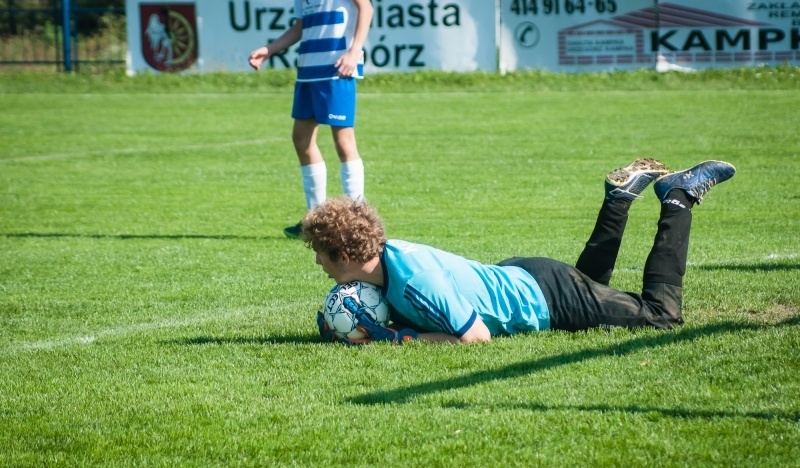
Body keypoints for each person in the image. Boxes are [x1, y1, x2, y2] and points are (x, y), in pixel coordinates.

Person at [302, 158, 736, 344]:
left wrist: (397, 339)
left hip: (544, 298)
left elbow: (475, 337)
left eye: (320, 253)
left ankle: (678, 196)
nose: (318, 262)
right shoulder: (389, 260)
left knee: (661, 316)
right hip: (524, 276)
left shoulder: (414, 281)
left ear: (343, 254)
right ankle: (618, 200)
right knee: (593, 287)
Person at [248, 0, 374, 239]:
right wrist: (270, 49)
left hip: (338, 68)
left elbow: (366, 8)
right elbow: (301, 26)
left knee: (343, 142)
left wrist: (354, 51)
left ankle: (359, 219)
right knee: (301, 139)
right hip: (308, 71)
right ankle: (316, 220)